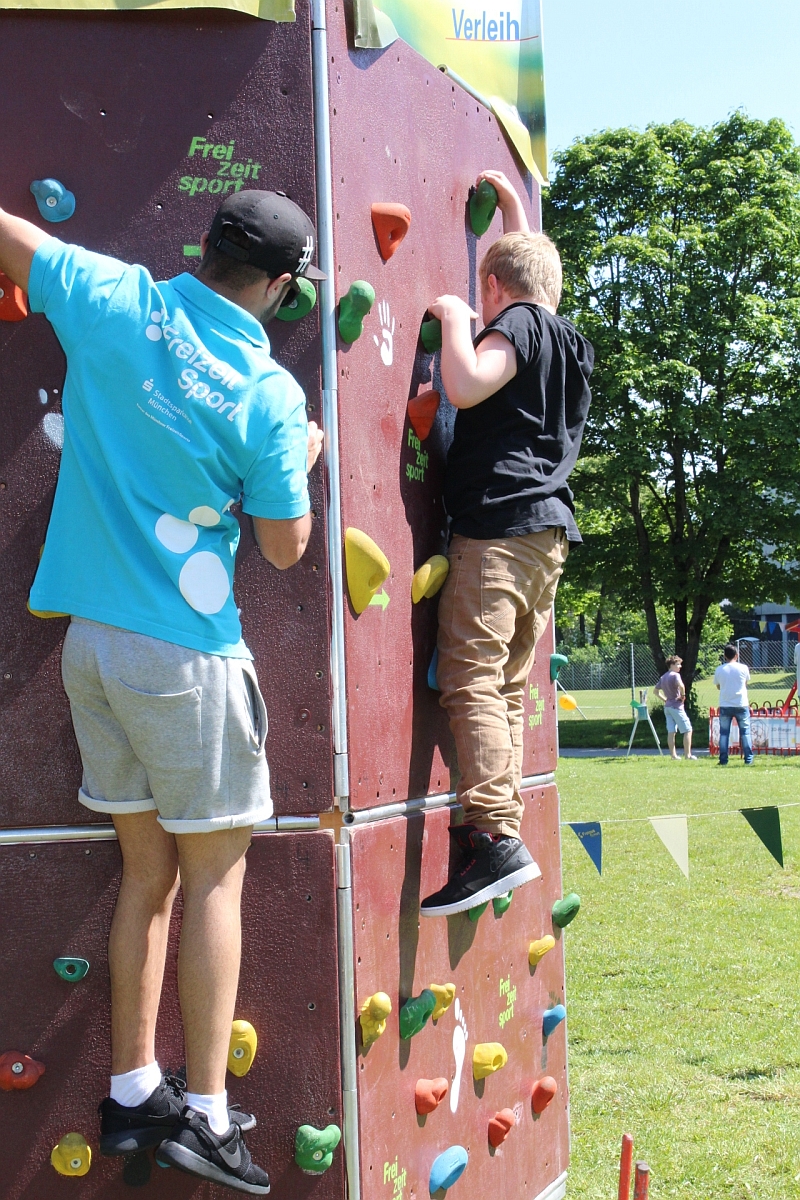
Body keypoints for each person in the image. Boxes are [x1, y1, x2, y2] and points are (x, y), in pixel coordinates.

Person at [0, 190, 325, 1194]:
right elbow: (281, 548)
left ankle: (136, 1089)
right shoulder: (266, 394)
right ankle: (209, 1117)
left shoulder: (113, 297)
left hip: (91, 648)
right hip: (187, 657)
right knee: (214, 879)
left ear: (205, 248)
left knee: (149, 874)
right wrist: (301, 461)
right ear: (278, 287)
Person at [420, 171, 594, 917]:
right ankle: (490, 826)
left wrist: (456, 320)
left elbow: (464, 384)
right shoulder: (569, 341)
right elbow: (534, 269)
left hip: (496, 530)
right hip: (546, 540)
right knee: (504, 686)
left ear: (493, 286)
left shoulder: (514, 322)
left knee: (470, 679)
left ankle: (492, 836)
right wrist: (516, 213)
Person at [714, 644, 753, 766]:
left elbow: (718, 686)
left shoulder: (720, 669)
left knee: (724, 733)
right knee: (745, 732)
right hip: (741, 703)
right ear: (737, 655)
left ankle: (723, 759)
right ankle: (748, 759)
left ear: (724, 656)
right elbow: (745, 683)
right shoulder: (743, 668)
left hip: (725, 704)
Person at [654, 656, 696, 760]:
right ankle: (688, 755)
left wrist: (665, 699)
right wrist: (683, 696)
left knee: (671, 731)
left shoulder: (663, 677)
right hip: (677, 707)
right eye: (678, 664)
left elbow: (655, 691)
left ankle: (673, 756)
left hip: (667, 707)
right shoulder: (675, 675)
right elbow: (681, 686)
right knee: (688, 730)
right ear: (671, 665)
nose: (680, 666)